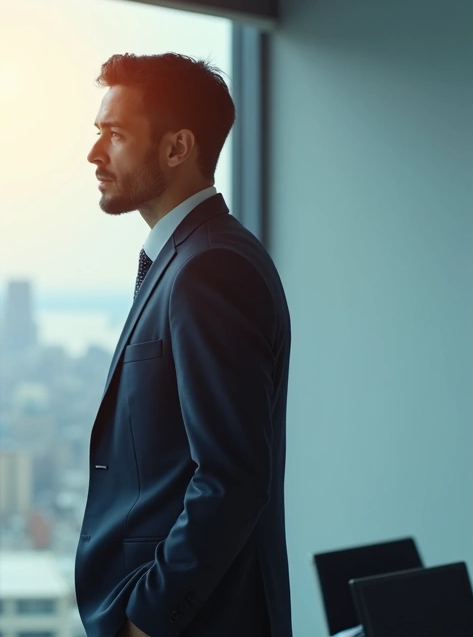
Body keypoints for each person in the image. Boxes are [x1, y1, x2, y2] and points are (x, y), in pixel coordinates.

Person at [74, 52, 293, 637]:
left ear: (177, 148)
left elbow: (232, 477)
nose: (95, 154)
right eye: (98, 133)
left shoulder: (210, 268)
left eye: (115, 135)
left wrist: (147, 621)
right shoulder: (190, 257)